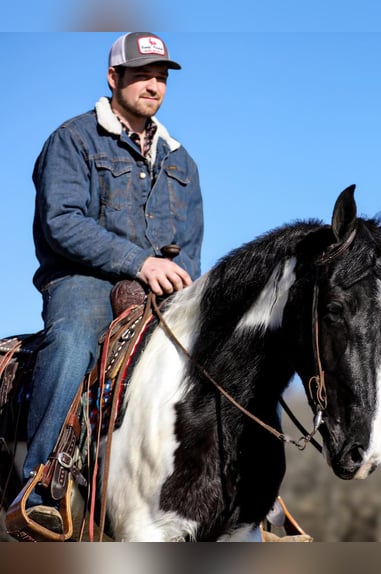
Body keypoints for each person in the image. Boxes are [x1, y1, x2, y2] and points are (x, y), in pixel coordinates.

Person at [22, 32, 204, 532]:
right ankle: (39, 489)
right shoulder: (73, 139)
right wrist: (139, 262)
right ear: (114, 78)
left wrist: (179, 276)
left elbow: (191, 242)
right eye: (143, 74)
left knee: (229, 351)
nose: (154, 85)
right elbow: (62, 221)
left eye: (161, 76)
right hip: (83, 281)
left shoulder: (181, 161)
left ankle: (259, 496)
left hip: (164, 290)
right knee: (73, 342)